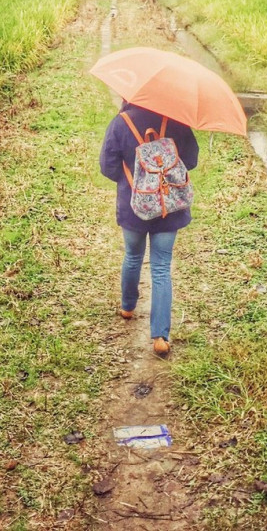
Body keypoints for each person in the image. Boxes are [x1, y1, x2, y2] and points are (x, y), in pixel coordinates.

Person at [100, 102, 199, 357]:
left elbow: (107, 166)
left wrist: (132, 179)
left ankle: (127, 307)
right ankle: (160, 337)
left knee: (133, 256)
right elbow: (191, 160)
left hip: (133, 205)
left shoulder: (121, 122)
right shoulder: (176, 120)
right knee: (161, 267)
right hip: (169, 206)